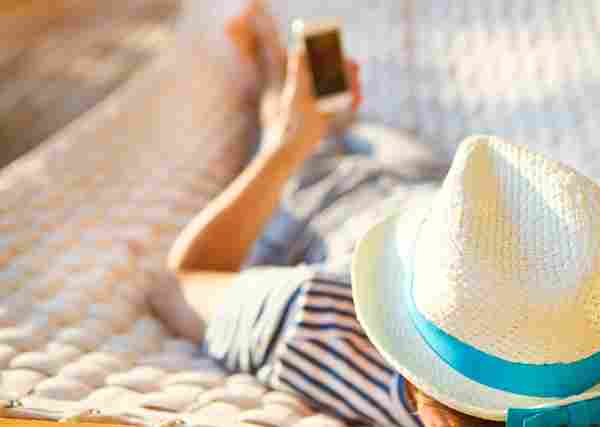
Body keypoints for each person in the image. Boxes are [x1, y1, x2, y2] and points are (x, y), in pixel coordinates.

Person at [148, 2, 488, 426]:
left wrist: (287, 146)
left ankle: (270, 58)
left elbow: (180, 285)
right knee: (344, 120)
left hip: (326, 201)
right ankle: (321, 109)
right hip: (436, 180)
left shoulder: (326, 322)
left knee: (297, 134)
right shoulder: (572, 323)